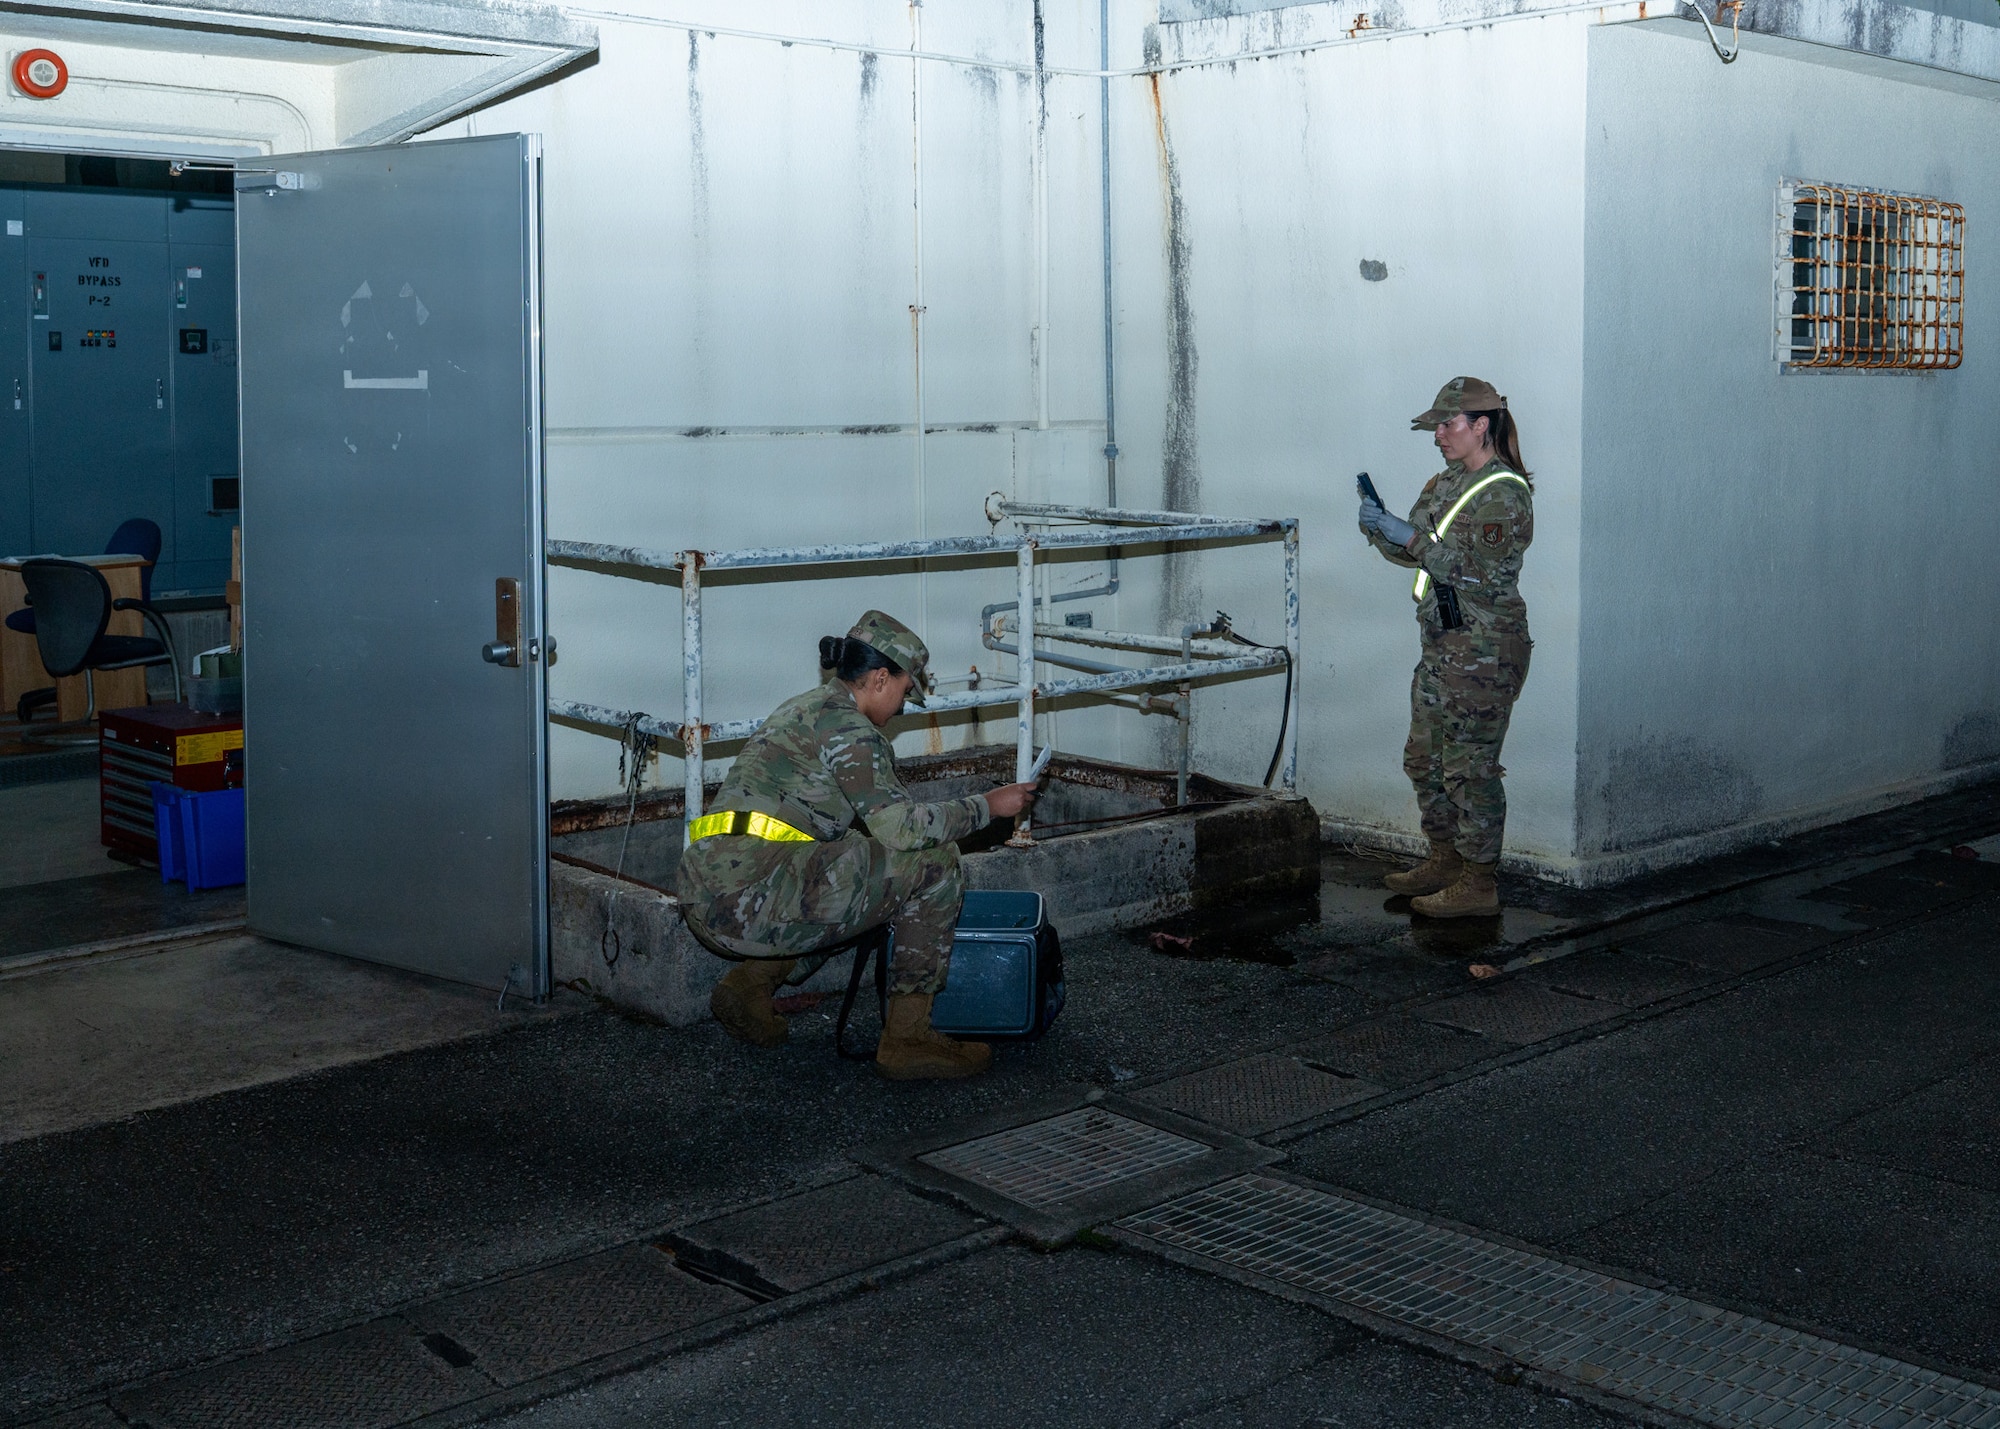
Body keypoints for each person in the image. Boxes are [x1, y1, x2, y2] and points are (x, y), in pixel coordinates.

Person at [674, 610, 1040, 1080]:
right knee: (933, 861)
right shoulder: (850, 731)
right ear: (880, 678)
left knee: (857, 865)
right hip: (742, 901)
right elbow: (903, 832)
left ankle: (749, 986)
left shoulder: (805, 707)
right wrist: (989, 805)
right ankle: (907, 1041)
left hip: (711, 890)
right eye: (906, 690)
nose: (904, 705)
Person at [1357, 376, 1533, 917]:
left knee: (1470, 769)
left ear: (1481, 425)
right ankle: (1446, 860)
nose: (1438, 434)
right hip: (1443, 645)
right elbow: (1415, 553)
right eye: (1435, 425)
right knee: (1424, 760)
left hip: (1486, 650)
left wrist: (1407, 536)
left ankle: (1479, 885)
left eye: (1447, 423)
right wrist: (1379, 529)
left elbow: (1478, 574)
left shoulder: (1504, 493)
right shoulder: (1446, 484)